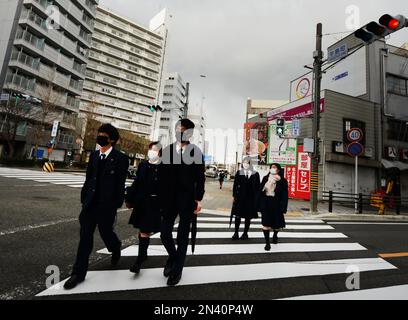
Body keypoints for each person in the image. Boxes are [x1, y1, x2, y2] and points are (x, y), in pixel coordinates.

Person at [64, 124, 129, 290]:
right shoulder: (93, 155)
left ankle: (115, 247)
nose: (99, 136)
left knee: (106, 233)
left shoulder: (121, 158)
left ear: (112, 139)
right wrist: (84, 198)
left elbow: (120, 184)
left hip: (106, 206)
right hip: (90, 205)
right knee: (85, 238)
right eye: (99, 133)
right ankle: (78, 273)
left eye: (103, 135)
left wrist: (115, 205)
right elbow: (89, 179)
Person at [160, 119, 206, 286]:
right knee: (164, 233)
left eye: (184, 130)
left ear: (190, 134)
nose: (180, 132)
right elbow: (162, 177)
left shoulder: (196, 152)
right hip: (168, 198)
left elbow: (200, 178)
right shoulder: (167, 151)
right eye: (178, 129)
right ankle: (173, 257)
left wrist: (198, 199)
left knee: (182, 235)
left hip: (187, 199)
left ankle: (177, 270)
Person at [125, 142, 168, 274]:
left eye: (154, 150)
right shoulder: (143, 165)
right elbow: (137, 182)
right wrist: (129, 199)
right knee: (143, 230)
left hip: (155, 204)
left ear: (160, 153)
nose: (151, 152)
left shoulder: (164, 167)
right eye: (150, 149)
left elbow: (167, 188)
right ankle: (142, 255)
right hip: (142, 202)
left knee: (145, 230)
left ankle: (139, 260)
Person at [259, 163, 288, 250]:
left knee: (277, 225)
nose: (272, 169)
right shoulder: (265, 178)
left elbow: (284, 195)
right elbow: (260, 191)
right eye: (271, 167)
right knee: (265, 223)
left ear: (278, 170)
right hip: (266, 203)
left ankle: (275, 235)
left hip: (277, 204)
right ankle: (267, 243)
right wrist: (263, 189)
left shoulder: (282, 180)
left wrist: (283, 207)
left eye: (274, 167)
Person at [230, 157, 260, 240]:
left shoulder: (255, 174)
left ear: (250, 164)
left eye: (247, 163)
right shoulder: (239, 172)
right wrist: (234, 196)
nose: (245, 164)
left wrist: (257, 199)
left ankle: (245, 233)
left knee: (248, 217)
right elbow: (235, 185)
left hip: (250, 199)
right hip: (240, 198)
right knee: (237, 216)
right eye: (244, 162)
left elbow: (257, 188)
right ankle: (236, 232)